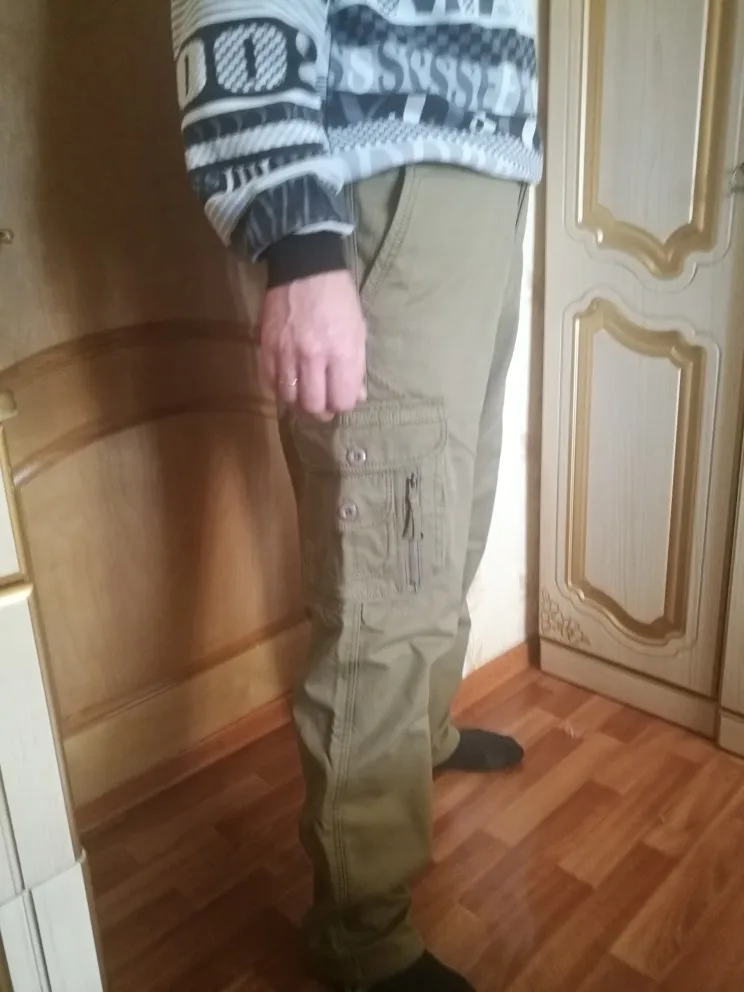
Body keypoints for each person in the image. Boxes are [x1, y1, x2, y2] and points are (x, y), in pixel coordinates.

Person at [170, 2, 542, 989]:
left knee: (453, 518)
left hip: (488, 182)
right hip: (380, 185)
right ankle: (361, 933)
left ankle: (423, 735)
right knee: (388, 579)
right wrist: (296, 237)